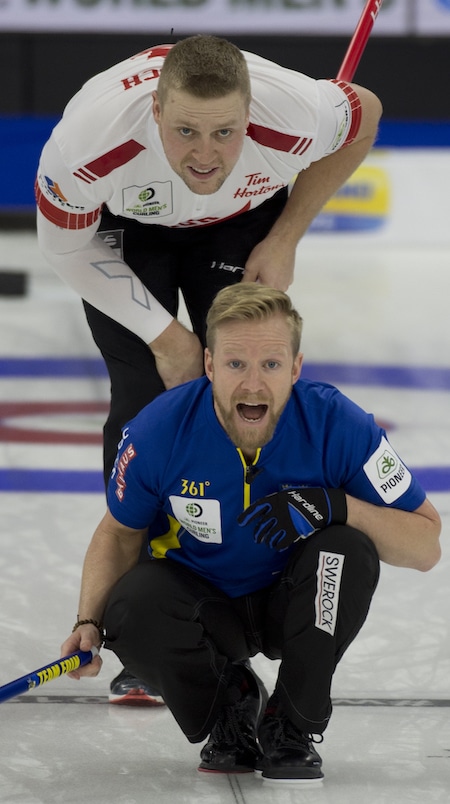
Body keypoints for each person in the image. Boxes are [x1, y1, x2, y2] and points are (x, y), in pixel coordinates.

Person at [36, 34, 382, 702]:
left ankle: (241, 591)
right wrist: (165, 337)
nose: (204, 154)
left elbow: (362, 111)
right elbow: (66, 250)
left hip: (238, 223)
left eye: (226, 132)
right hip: (124, 231)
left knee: (241, 389)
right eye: (185, 131)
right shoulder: (91, 140)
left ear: (251, 115)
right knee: (147, 401)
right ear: (155, 113)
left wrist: (285, 239)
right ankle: (144, 617)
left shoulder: (295, 112)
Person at [61, 284, 441, 782]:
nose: (254, 386)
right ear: (210, 365)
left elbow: (425, 545)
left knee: (346, 547)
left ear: (297, 368)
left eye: (271, 364)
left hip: (294, 605)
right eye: (236, 364)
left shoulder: (339, 425)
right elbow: (117, 534)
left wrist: (337, 505)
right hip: (206, 607)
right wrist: (87, 619)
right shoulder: (158, 430)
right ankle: (230, 707)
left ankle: (291, 725)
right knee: (130, 604)